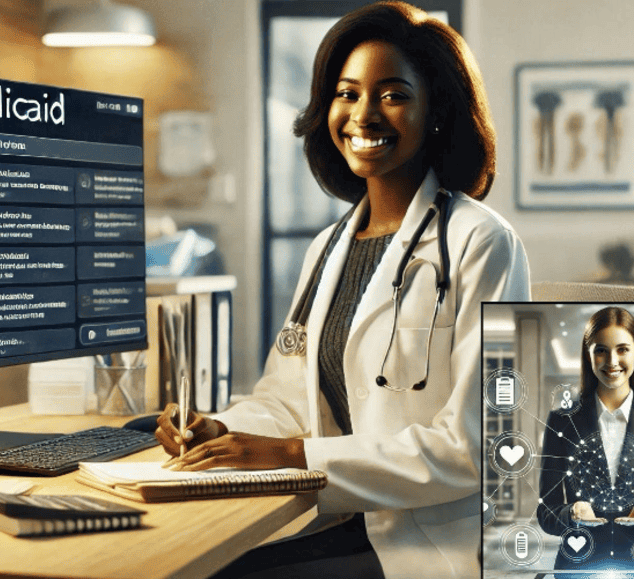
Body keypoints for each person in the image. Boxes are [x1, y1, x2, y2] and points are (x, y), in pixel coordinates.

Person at [153, 2, 530, 578]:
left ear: (435, 112)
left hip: (429, 541)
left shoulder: (482, 242)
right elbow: (289, 398)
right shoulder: (328, 247)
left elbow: (474, 446)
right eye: (347, 93)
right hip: (337, 518)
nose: (363, 115)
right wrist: (224, 430)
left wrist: (290, 456)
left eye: (393, 94)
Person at [537, 307, 634, 571]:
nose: (612, 361)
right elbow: (546, 512)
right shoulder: (562, 422)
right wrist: (571, 514)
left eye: (622, 349)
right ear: (589, 354)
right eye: (601, 350)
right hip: (578, 566)